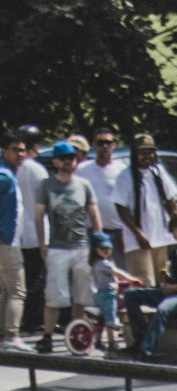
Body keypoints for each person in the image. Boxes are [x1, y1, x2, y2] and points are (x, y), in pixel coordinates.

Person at [35, 140, 102, 353]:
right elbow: (38, 215)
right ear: (55, 161)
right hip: (57, 246)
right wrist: (42, 242)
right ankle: (47, 335)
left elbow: (94, 213)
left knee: (82, 294)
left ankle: (78, 332)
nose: (67, 163)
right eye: (63, 158)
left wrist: (100, 241)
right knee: (54, 294)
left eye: (71, 158)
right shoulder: (47, 185)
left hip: (81, 245)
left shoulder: (84, 185)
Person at [123, 211, 177, 360]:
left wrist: (173, 288)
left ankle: (146, 352)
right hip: (170, 291)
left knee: (163, 308)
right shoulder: (176, 252)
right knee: (130, 295)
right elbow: (171, 277)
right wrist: (165, 283)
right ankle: (140, 340)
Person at [112, 133, 177, 284]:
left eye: (149, 152)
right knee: (144, 282)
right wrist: (138, 234)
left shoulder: (158, 172)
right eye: (142, 152)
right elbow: (121, 209)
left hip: (160, 236)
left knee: (162, 281)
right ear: (134, 154)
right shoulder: (125, 177)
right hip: (137, 240)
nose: (146, 156)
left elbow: (170, 200)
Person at [17, 125, 48, 333]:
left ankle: (21, 318)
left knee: (21, 280)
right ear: (36, 145)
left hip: (18, 231)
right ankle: (34, 320)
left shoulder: (13, 167)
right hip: (37, 231)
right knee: (37, 279)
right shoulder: (37, 169)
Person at [88, 231, 141, 351]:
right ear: (96, 249)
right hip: (108, 294)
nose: (106, 251)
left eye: (108, 248)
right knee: (110, 318)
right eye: (102, 248)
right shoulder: (104, 263)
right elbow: (117, 272)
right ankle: (112, 342)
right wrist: (132, 279)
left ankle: (98, 341)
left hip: (99, 294)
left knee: (101, 320)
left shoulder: (95, 264)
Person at [0, 131, 28, 351]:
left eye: (23, 149)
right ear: (4, 151)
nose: (21, 154)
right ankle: (11, 336)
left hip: (9, 240)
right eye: (15, 149)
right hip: (6, 242)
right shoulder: (5, 176)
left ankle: (4, 335)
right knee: (18, 291)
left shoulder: (8, 174)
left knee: (5, 291)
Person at [77, 128, 124, 257]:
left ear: (114, 145)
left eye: (108, 142)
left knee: (120, 275)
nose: (105, 146)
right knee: (94, 273)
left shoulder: (123, 170)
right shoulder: (82, 169)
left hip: (118, 232)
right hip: (91, 232)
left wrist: (125, 231)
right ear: (93, 145)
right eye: (100, 142)